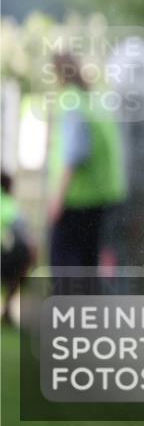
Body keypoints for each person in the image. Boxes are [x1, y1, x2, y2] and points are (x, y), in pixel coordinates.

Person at [47, 52, 127, 268]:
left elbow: (74, 154)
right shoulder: (92, 100)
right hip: (102, 196)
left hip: (78, 199)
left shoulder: (70, 102)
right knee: (88, 264)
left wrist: (57, 200)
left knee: (66, 265)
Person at [1, 172, 35, 325]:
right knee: (24, 262)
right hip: (10, 258)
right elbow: (27, 240)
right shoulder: (13, 208)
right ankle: (7, 308)